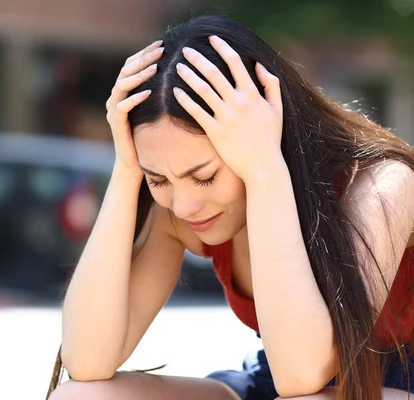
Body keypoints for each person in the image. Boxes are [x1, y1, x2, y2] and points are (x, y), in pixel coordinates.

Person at [46, 14, 414, 400]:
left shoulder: (381, 186)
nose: (185, 204)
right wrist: (126, 171)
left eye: (204, 176)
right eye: (159, 180)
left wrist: (266, 172)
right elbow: (86, 361)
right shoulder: (177, 212)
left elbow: (303, 373)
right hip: (278, 379)